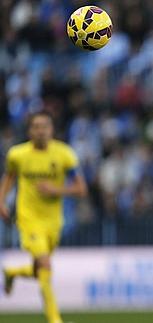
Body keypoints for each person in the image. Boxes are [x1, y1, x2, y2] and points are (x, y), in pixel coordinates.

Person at [0, 111, 87, 323]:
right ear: (30, 131)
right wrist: (1, 201)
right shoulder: (17, 154)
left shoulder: (64, 154)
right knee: (46, 264)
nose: (41, 131)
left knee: (41, 268)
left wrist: (56, 190)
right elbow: (9, 177)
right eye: (36, 127)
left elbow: (81, 189)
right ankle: (54, 319)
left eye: (45, 126)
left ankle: (13, 272)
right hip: (28, 218)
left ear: (52, 129)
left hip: (53, 221)